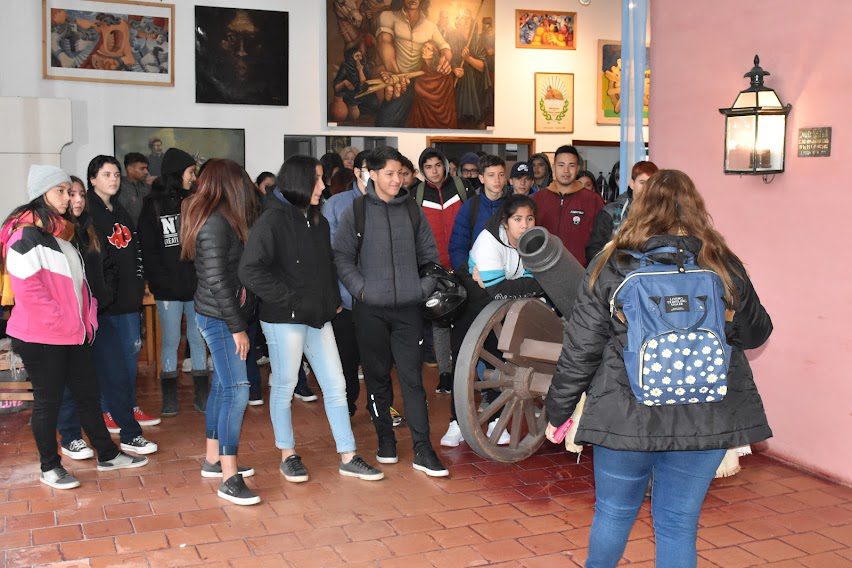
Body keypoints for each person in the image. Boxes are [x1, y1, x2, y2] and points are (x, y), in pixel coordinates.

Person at [544, 170, 773, 567]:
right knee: (678, 525)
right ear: (697, 209)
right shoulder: (722, 265)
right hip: (705, 416)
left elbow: (581, 350)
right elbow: (756, 333)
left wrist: (558, 411)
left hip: (625, 415)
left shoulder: (611, 265)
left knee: (613, 514)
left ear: (639, 208)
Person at [240, 155, 384, 483]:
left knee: (336, 384)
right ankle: (287, 454)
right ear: (298, 181)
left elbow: (327, 265)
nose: (323, 186)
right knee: (285, 385)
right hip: (284, 319)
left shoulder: (317, 219)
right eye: (316, 179)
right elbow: (250, 270)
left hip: (319, 317)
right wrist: (291, 300)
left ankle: (348, 455)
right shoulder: (271, 219)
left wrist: (332, 301)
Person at [1, 165, 147, 489]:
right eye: (61, 191)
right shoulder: (24, 234)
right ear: (41, 194)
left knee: (88, 397)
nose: (68, 198)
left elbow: (78, 284)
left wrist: (87, 316)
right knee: (48, 403)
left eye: (69, 191)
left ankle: (107, 454)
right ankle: (50, 467)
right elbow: (31, 292)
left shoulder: (61, 233)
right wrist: (64, 322)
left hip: (72, 333)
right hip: (42, 337)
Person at [333, 146, 448, 477]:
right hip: (370, 310)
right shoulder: (356, 211)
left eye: (400, 173)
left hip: (408, 309)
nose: (397, 180)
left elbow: (429, 255)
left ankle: (423, 448)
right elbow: (342, 257)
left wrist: (422, 289)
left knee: (413, 379)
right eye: (389, 174)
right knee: (377, 377)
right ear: (372, 174)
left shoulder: (412, 211)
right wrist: (362, 290)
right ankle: (386, 440)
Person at [180, 159, 260, 505]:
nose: (246, 186)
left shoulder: (222, 217)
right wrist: (237, 327)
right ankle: (229, 477)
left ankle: (213, 459)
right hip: (220, 318)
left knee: (222, 387)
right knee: (237, 391)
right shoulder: (214, 222)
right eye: (241, 180)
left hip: (220, 315)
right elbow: (217, 280)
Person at [442, 194, 543, 447]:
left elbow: (534, 282)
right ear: (505, 222)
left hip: (500, 311)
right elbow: (499, 289)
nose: (524, 224)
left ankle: (497, 420)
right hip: (471, 307)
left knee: (500, 363)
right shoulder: (489, 241)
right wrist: (518, 285)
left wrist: (507, 285)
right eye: (518, 219)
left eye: (529, 218)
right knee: (463, 366)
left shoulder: (532, 243)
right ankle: (456, 423)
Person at [87, 155, 160, 451]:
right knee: (110, 362)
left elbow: (135, 248)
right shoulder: (89, 212)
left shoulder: (120, 210)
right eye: (107, 174)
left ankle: (128, 406)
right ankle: (108, 409)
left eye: (116, 174)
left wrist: (139, 280)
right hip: (106, 301)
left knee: (131, 355)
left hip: (130, 297)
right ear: (93, 179)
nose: (114, 179)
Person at [138, 148, 209, 416]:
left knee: (198, 338)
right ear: (177, 173)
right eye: (190, 172)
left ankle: (201, 394)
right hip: (167, 289)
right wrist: (160, 281)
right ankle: (169, 398)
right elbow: (148, 249)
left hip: (197, 287)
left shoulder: (196, 202)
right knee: (170, 340)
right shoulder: (153, 205)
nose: (194, 177)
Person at [55, 176, 113, 460]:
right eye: (70, 194)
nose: (76, 200)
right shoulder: (55, 232)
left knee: (87, 381)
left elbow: (104, 267)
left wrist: (104, 296)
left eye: (80, 194)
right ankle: (70, 436)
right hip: (65, 320)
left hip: (90, 317)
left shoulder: (89, 229)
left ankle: (91, 435)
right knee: (66, 382)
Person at [413, 148, 469, 393]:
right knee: (440, 323)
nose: (434, 171)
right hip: (434, 269)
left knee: (466, 321)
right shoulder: (416, 194)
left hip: (463, 264)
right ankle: (445, 373)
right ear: (422, 170)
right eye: (428, 167)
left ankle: (464, 371)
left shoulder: (462, 187)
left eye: (438, 165)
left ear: (445, 166)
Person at [532, 145, 604, 266]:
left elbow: (602, 240)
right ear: (554, 167)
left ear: (578, 168)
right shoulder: (537, 199)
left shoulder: (593, 200)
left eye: (571, 165)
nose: (566, 171)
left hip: (581, 271)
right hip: (543, 269)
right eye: (561, 165)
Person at [586, 161, 659, 262]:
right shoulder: (611, 212)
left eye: (651, 184)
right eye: (642, 183)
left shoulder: (661, 214)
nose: (647, 188)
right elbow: (594, 251)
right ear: (632, 183)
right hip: (615, 270)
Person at [448, 154, 508, 275]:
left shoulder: (514, 205)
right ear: (481, 178)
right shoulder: (470, 207)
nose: (497, 180)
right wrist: (467, 275)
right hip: (476, 275)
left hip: (509, 274)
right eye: (491, 175)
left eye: (501, 175)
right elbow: (458, 247)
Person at [408, 39, 458, 129]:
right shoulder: (422, 68)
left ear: (434, 53)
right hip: (423, 113)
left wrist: (419, 88)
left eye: (428, 49)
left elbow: (441, 96)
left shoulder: (441, 71)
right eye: (424, 47)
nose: (424, 49)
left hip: (441, 115)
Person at [117, 152, 151, 225]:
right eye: (142, 169)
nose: (146, 172)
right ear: (130, 169)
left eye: (146, 168)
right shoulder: (119, 187)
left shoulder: (147, 187)